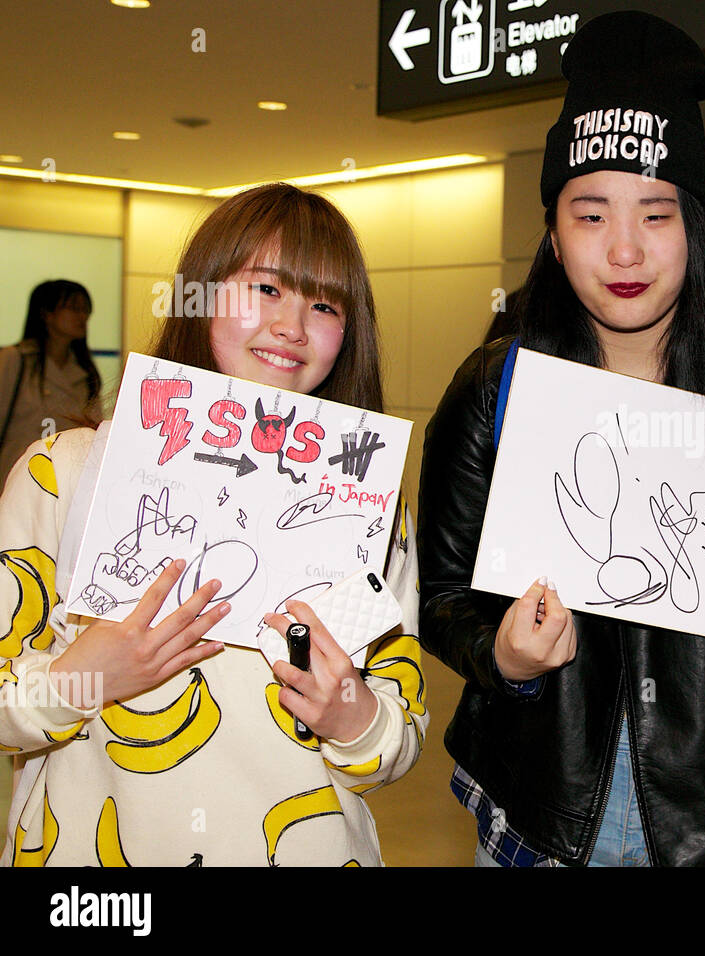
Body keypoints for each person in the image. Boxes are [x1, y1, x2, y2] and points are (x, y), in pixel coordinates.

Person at [418, 11, 705, 867]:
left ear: (695, 228)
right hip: (531, 822)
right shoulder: (495, 387)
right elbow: (440, 592)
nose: (625, 249)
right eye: (591, 214)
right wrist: (502, 653)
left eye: (656, 214)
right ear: (553, 232)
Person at [0, 183, 426, 866]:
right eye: (265, 288)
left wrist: (353, 717)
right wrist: (82, 678)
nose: (291, 324)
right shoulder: (66, 471)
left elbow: (393, 735)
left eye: (323, 304)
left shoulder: (365, 508)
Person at [0, 280, 104, 479]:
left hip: (63, 479)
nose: (82, 317)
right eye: (73, 308)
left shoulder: (85, 371)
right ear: (46, 314)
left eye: (85, 310)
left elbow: (93, 432)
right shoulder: (15, 359)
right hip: (15, 476)